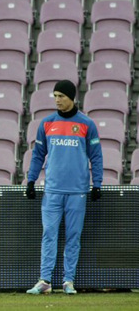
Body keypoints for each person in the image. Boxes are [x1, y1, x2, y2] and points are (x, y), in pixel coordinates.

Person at [25, 80, 103, 295]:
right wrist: (31, 180)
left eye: (61, 96)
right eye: (55, 96)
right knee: (49, 234)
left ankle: (68, 281)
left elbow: (96, 156)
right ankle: (45, 281)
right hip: (52, 190)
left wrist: (97, 184)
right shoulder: (47, 123)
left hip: (77, 190)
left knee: (73, 236)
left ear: (72, 97)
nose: (57, 100)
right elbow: (38, 155)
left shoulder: (87, 124)